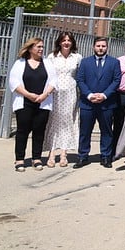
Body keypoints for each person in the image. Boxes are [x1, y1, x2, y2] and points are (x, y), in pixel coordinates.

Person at [8, 38, 57, 171]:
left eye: (42, 47)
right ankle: (19, 159)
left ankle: (37, 158)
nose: (41, 49)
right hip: (24, 103)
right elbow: (13, 82)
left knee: (39, 131)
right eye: (38, 47)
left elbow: (53, 81)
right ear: (30, 49)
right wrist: (29, 95)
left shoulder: (47, 63)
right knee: (22, 131)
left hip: (43, 103)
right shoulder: (20, 63)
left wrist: (44, 95)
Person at [75, 37, 121, 169]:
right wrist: (89, 95)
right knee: (85, 131)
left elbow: (116, 80)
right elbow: (80, 80)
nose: (101, 48)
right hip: (87, 103)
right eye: (98, 46)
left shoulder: (114, 62)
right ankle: (83, 156)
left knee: (106, 131)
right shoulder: (85, 62)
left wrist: (104, 95)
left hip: (106, 103)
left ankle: (106, 156)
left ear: (107, 47)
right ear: (93, 47)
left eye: (103, 46)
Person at [43, 32, 81, 168]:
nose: (66, 43)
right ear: (59, 42)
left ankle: (63, 154)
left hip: (70, 93)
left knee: (67, 121)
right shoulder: (51, 57)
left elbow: (79, 75)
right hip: (55, 93)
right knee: (53, 121)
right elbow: (47, 75)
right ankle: (51, 153)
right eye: (64, 40)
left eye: (69, 40)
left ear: (72, 43)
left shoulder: (77, 57)